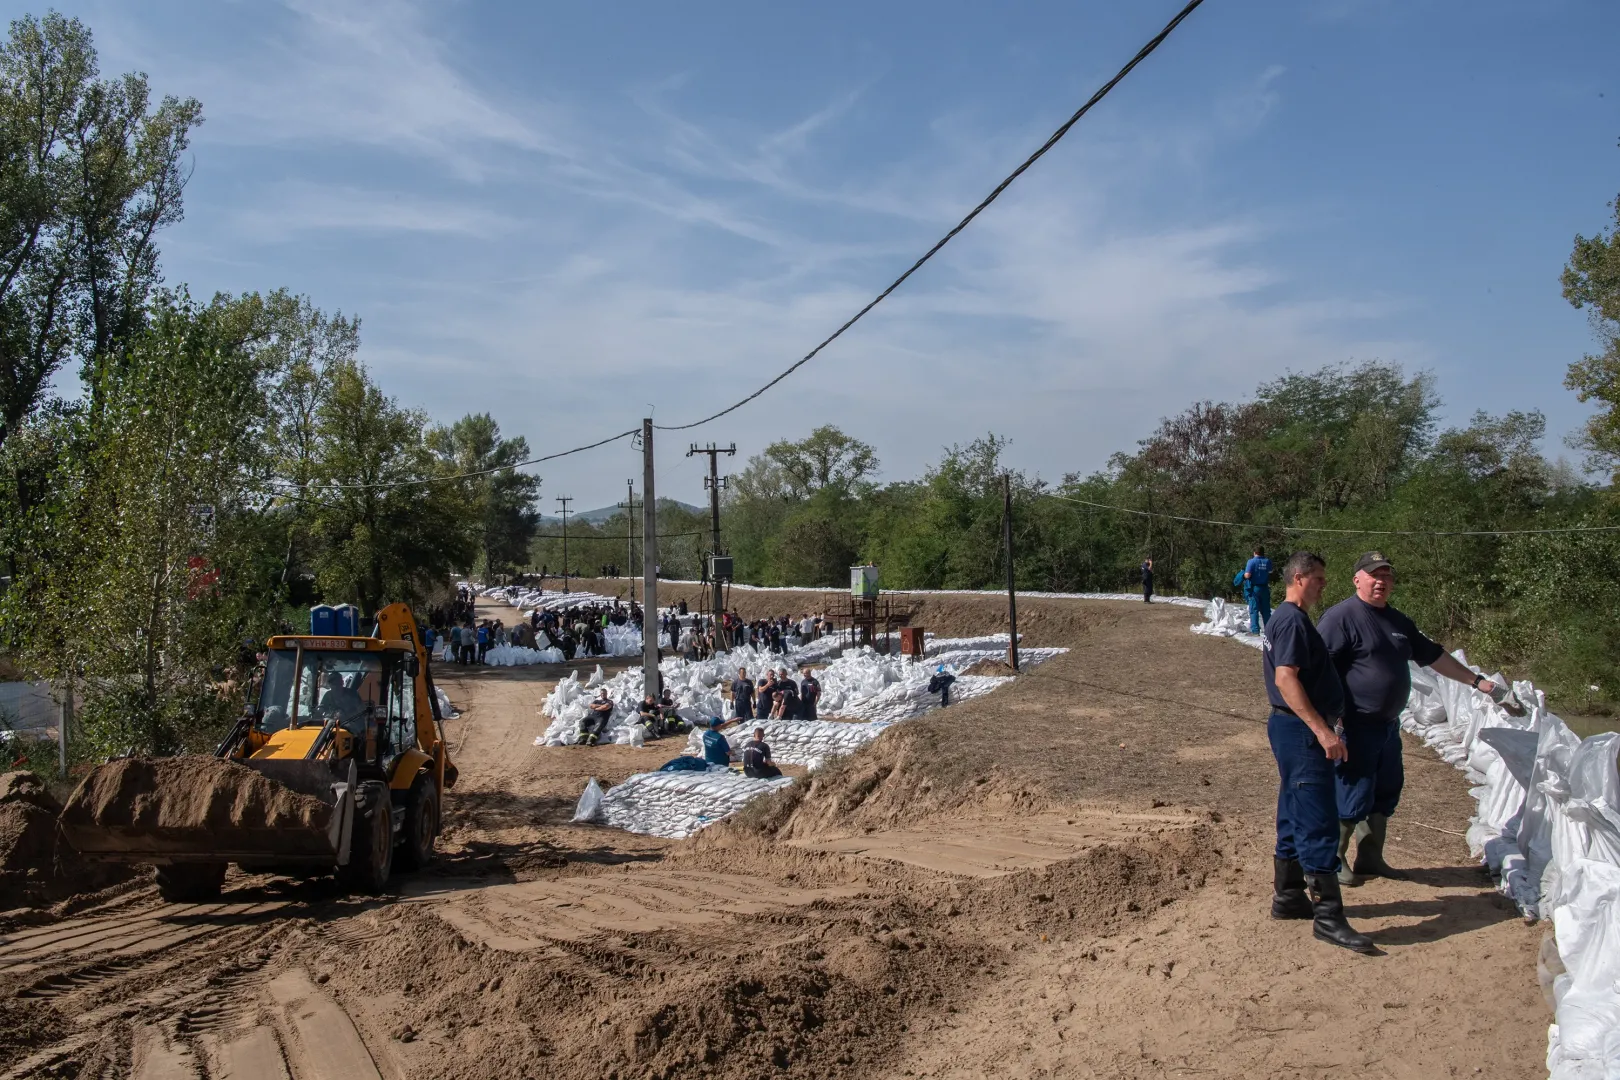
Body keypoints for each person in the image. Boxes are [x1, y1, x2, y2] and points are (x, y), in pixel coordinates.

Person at [1318, 550, 1524, 886]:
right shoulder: (1341, 618)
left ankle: (1370, 857)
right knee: (1353, 791)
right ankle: (1333, 859)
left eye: (1387, 576)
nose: (1381, 581)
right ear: (1357, 579)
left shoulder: (1398, 622)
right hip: (1354, 725)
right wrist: (1328, 720)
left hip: (1386, 726)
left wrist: (1480, 683)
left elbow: (1433, 656)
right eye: (1374, 575)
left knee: (1386, 790)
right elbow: (1320, 669)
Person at [1262, 550, 1375, 954]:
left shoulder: (1289, 617)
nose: (1325, 586)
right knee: (1317, 816)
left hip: (1292, 728)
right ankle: (1328, 917)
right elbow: (1286, 679)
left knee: (1294, 807)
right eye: (1320, 579)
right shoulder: (1291, 620)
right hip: (1301, 731)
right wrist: (1323, 730)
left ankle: (1289, 896)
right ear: (1299, 577)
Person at [1243, 545, 1274, 634]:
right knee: (1266, 610)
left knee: (1254, 609)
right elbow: (1270, 571)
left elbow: (1248, 575)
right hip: (1265, 587)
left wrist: (1243, 575)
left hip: (1255, 588)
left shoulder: (1251, 562)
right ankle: (1269, 631)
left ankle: (1255, 631)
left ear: (1255, 552)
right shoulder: (1267, 561)